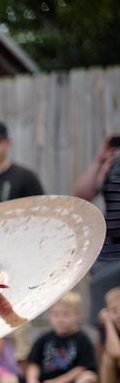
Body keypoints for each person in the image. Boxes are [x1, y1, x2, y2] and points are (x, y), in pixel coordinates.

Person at [18, 291, 99, 383]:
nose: (60, 319)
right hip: (44, 382)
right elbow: (34, 363)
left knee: (89, 378)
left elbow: (82, 368)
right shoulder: (44, 338)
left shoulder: (82, 339)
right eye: (56, 315)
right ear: (50, 316)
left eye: (66, 315)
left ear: (77, 315)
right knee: (6, 380)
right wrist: (32, 381)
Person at [72, 133, 120, 330]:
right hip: (110, 253)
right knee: (103, 319)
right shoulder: (113, 164)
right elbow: (82, 196)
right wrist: (100, 161)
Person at [96, 287, 120, 383]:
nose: (118, 314)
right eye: (114, 310)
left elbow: (117, 352)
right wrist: (109, 323)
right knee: (107, 358)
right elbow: (113, 352)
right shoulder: (110, 328)